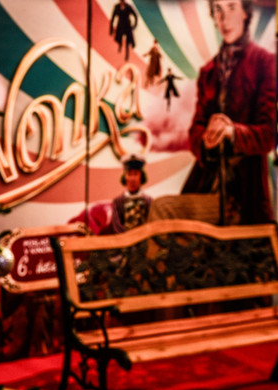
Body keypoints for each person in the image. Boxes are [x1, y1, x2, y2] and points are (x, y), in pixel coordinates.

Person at [149, 0, 275, 225]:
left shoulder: (265, 63)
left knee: (163, 210)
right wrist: (206, 140)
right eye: (218, 10)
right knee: (165, 220)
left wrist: (232, 132)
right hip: (206, 187)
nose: (224, 18)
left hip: (243, 198)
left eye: (231, 8)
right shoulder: (208, 71)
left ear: (245, 13)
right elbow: (195, 130)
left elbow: (268, 135)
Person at [111, 155, 152, 233]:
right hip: (125, 239)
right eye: (129, 174)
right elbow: (116, 226)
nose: (132, 179)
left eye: (135, 174)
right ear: (125, 177)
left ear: (141, 177)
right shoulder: (117, 202)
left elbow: (152, 224)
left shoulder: (149, 201)